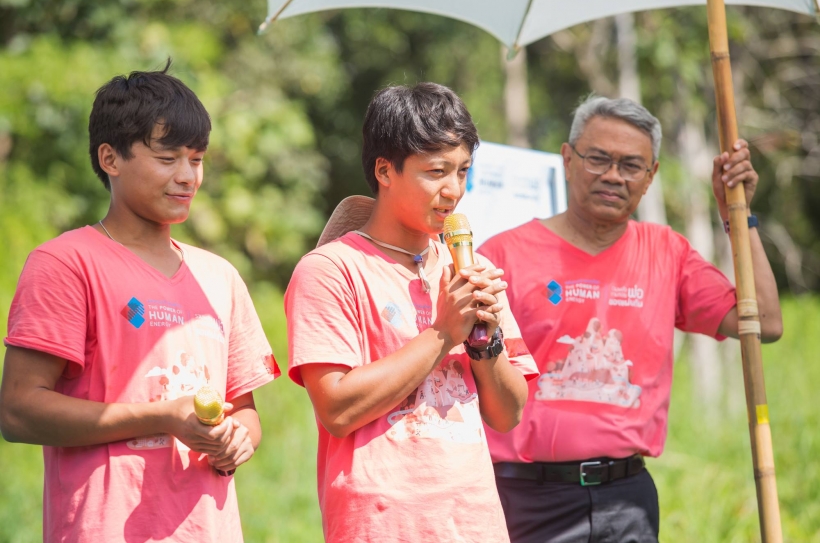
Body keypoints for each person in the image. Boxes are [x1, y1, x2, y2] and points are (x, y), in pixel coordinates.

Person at [477, 96, 782, 543]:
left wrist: (737, 213)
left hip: (628, 502)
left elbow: (765, 322)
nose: (613, 175)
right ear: (568, 159)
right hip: (525, 499)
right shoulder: (502, 256)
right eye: (598, 159)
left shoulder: (668, 252)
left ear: (651, 176)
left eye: (631, 165)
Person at [0, 62, 279, 542]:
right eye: (168, 159)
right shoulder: (65, 263)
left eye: (197, 159)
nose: (188, 177)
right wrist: (161, 416)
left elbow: (244, 412)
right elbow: (18, 411)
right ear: (110, 158)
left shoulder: (221, 277)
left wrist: (238, 440)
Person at [284, 82, 539, 542]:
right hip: (380, 525)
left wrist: (484, 338)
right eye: (436, 171)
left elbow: (508, 415)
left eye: (463, 171)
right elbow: (337, 409)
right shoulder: (330, 270)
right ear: (385, 170)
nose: (453, 190)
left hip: (475, 523)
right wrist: (443, 332)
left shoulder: (471, 270)